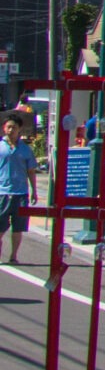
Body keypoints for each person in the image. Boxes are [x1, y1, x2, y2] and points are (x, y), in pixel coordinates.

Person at [0, 112, 32, 265]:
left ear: (20, 129)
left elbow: (31, 170)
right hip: (2, 193)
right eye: (8, 127)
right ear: (4, 128)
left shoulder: (25, 149)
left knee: (18, 228)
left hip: (21, 193)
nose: (11, 130)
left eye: (14, 127)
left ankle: (13, 256)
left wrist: (34, 190)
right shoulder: (0, 146)